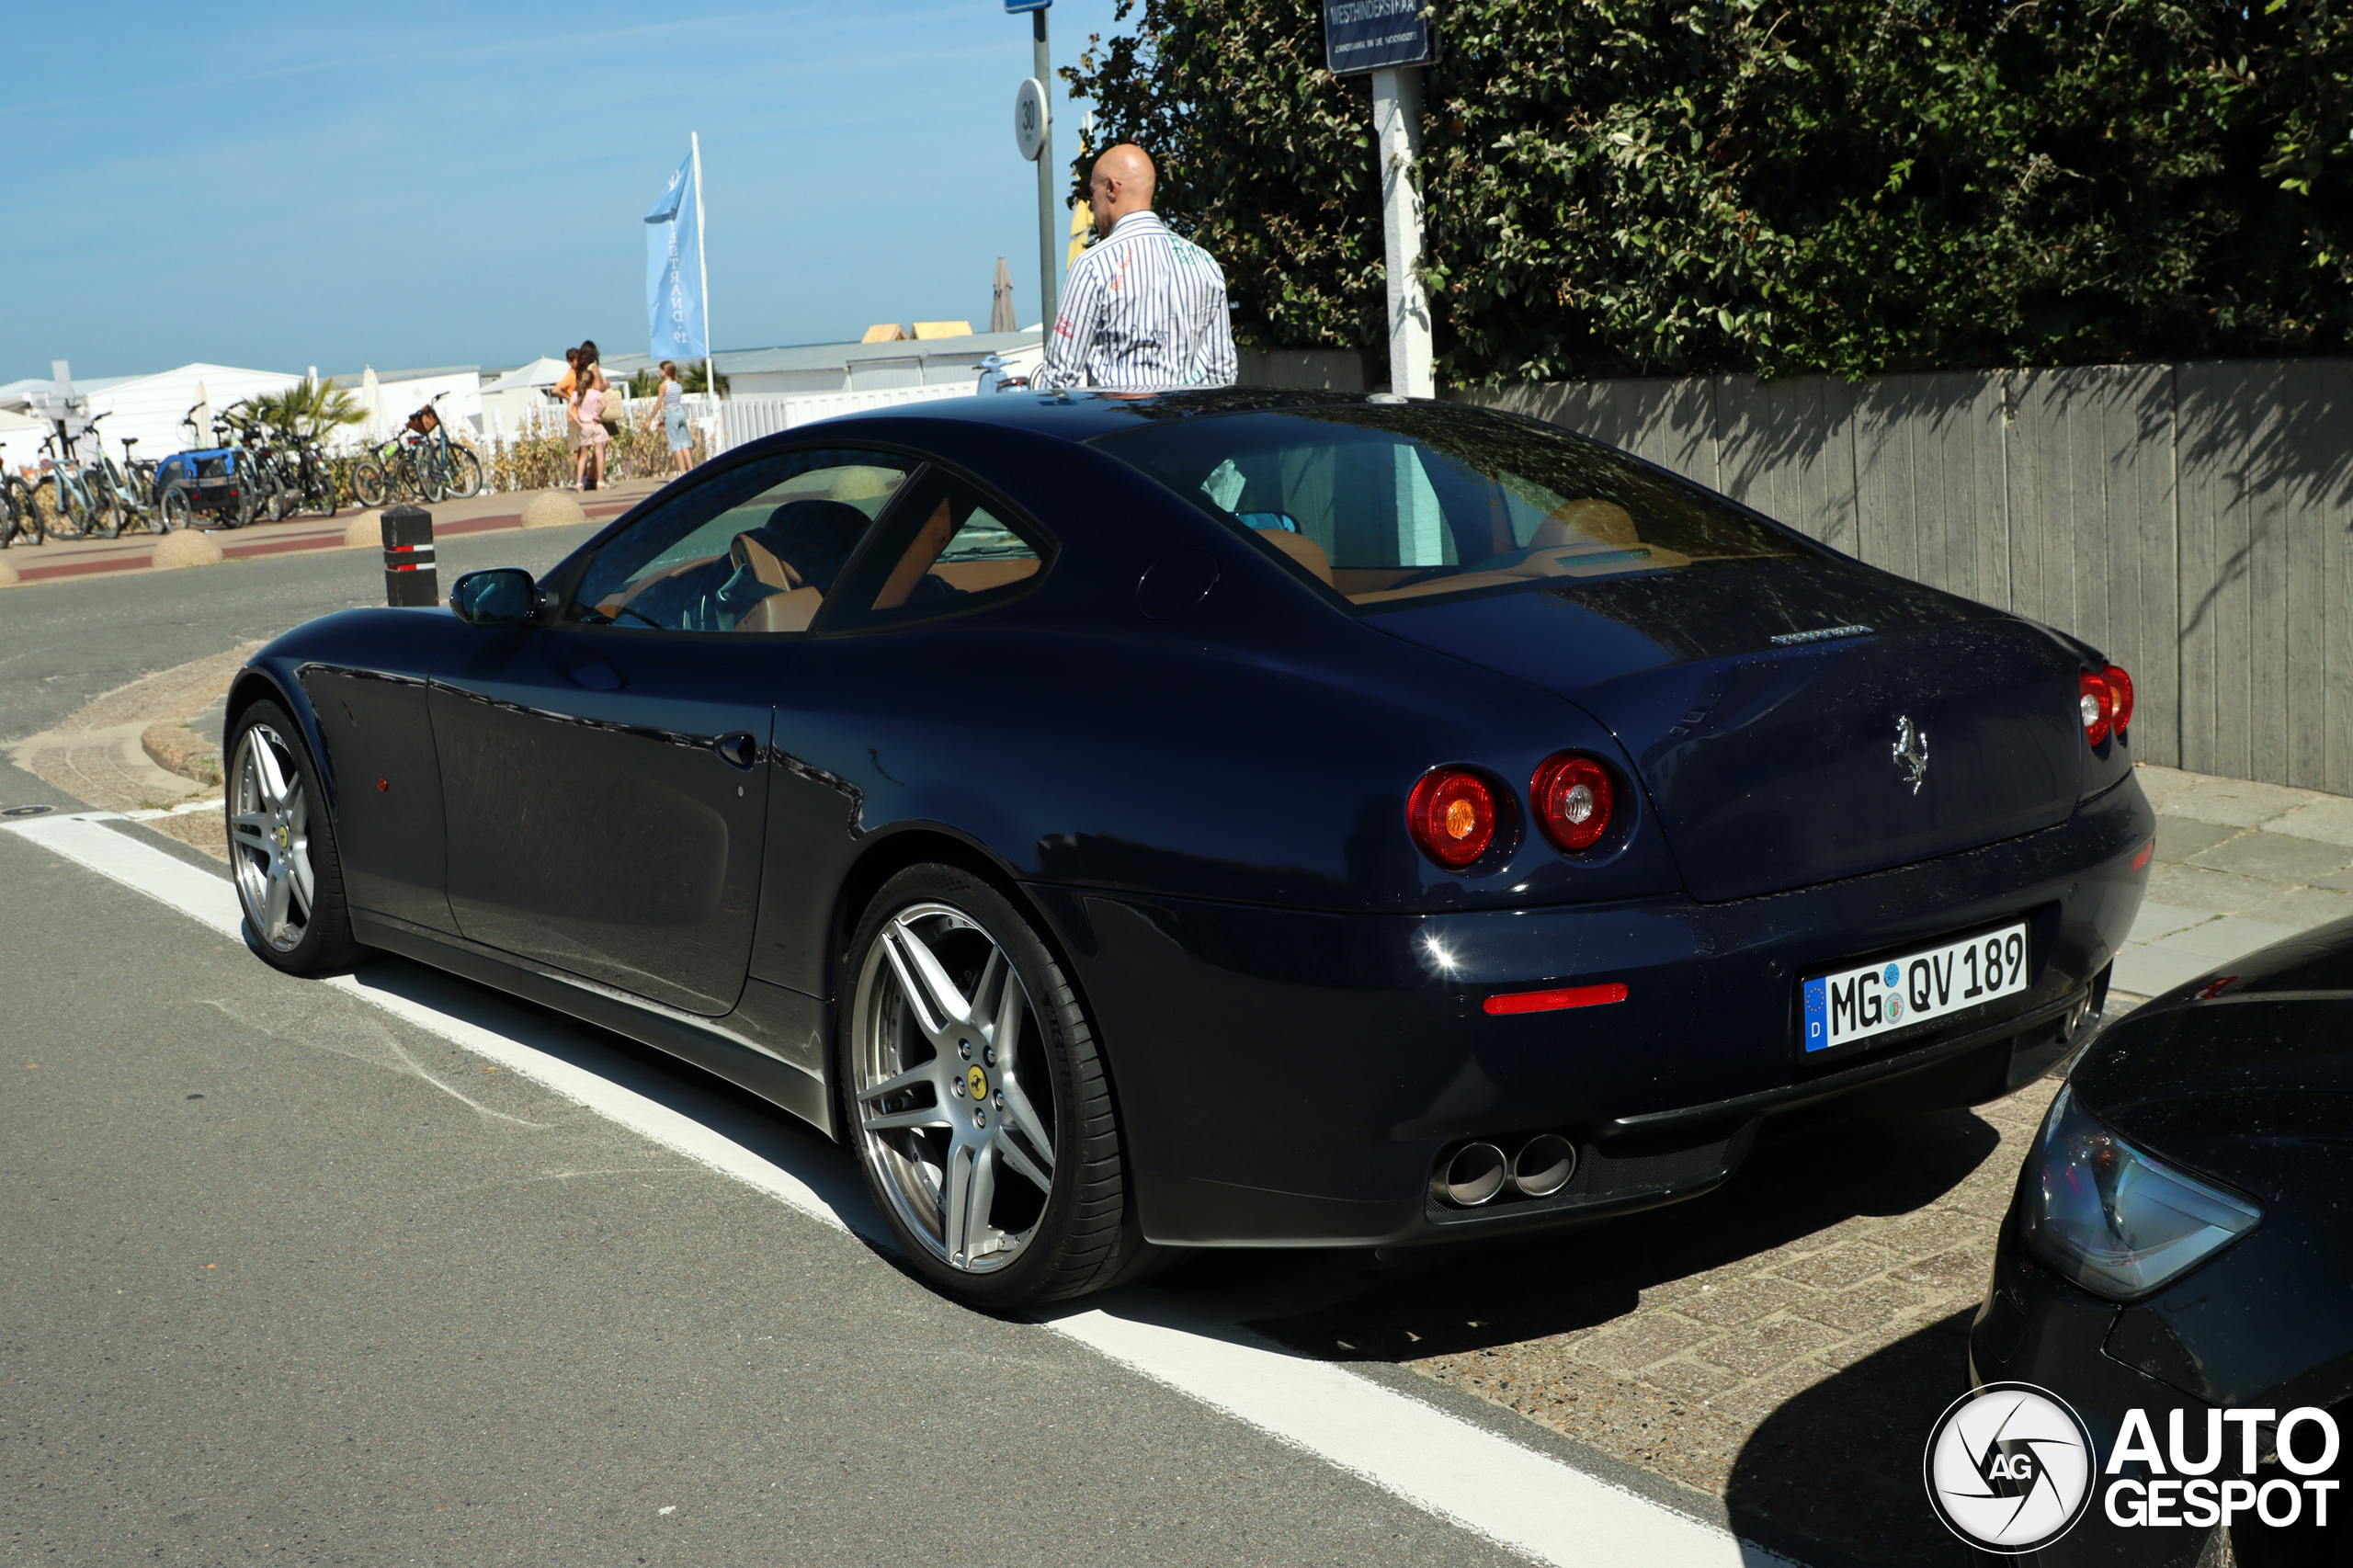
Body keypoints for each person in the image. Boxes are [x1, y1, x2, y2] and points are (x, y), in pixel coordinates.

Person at [1030, 143, 1236, 392]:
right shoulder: (1205, 263)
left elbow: (1059, 379)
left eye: (1090, 192)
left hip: (1119, 426)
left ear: (1111, 188)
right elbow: (1222, 373)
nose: (1091, 206)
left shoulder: (1093, 265)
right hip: (1190, 426)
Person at [571, 342, 609, 492]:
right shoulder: (593, 367)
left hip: (584, 424)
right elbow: (600, 389)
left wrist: (579, 422)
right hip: (595, 421)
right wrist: (606, 384)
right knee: (600, 450)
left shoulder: (580, 371)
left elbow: (570, 408)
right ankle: (597, 480)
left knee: (583, 454)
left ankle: (580, 481)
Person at [658, 360, 692, 476]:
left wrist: (650, 418)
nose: (659, 372)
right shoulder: (678, 384)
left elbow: (659, 404)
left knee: (676, 445)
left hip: (671, 414)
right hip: (680, 412)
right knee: (685, 443)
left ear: (665, 371)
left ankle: (683, 472)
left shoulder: (664, 385)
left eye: (661, 369)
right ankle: (691, 469)